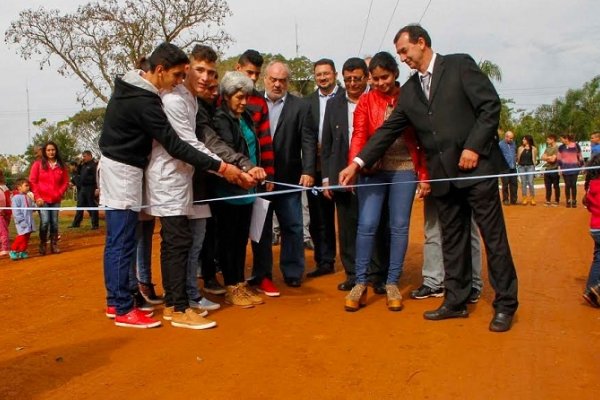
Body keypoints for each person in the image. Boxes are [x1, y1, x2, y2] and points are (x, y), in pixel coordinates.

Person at [340, 24, 519, 332]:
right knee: (452, 240)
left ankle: (505, 304)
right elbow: (386, 132)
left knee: (493, 239)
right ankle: (456, 300)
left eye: (404, 51)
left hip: (476, 171)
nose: (403, 57)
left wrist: (474, 147)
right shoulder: (409, 91)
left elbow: (489, 107)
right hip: (443, 178)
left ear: (421, 43)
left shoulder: (459, 65)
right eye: (399, 53)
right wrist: (356, 163)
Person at [99, 42, 251, 329]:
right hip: (157, 176)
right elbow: (180, 144)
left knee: (176, 241)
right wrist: (224, 168)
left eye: (212, 72)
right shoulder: (166, 99)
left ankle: (171, 303)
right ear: (163, 71)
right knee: (164, 241)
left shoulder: (178, 96)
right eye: (194, 71)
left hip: (168, 175)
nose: (204, 78)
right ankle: (172, 307)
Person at [343, 51, 429, 312]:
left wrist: (424, 176)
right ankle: (360, 282)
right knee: (367, 224)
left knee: (399, 226)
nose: (380, 83)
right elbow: (359, 136)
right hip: (373, 170)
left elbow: (424, 139)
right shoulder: (366, 102)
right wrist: (353, 166)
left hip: (404, 169)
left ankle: (392, 282)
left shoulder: (411, 98)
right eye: (375, 78)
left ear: (395, 74)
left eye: (385, 77)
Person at [321, 57, 389, 291]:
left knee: (376, 224)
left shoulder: (377, 100)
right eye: (348, 79)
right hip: (343, 174)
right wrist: (328, 179)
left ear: (366, 78)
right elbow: (327, 145)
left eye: (357, 78)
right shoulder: (334, 104)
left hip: (374, 171)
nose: (352, 83)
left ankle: (377, 275)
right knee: (348, 226)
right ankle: (353, 274)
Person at [212, 71, 271, 307]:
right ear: (226, 96)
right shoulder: (220, 118)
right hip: (229, 188)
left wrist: (257, 171)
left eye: (246, 96)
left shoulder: (245, 116)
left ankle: (240, 282)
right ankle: (231, 286)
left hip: (249, 189)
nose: (244, 101)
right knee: (228, 239)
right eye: (239, 97)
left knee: (240, 239)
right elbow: (226, 149)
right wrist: (246, 168)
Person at [262, 60, 316, 288]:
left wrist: (309, 170)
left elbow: (308, 140)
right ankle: (262, 273)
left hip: (288, 178)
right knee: (262, 229)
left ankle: (293, 271)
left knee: (293, 225)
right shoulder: (253, 102)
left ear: (288, 82)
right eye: (273, 79)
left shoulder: (300, 106)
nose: (277, 84)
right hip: (260, 179)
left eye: (282, 80)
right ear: (265, 79)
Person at [234, 50, 280, 297]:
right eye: (248, 71)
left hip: (260, 179)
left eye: (255, 73)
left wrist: (269, 174)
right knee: (236, 233)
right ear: (237, 68)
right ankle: (236, 280)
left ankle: (263, 276)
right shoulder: (222, 99)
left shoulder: (259, 102)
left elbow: (265, 141)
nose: (251, 77)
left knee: (261, 229)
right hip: (233, 180)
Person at [304, 58, 344, 278]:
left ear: (335, 74)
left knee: (348, 216)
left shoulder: (345, 96)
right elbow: (307, 138)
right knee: (320, 217)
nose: (322, 78)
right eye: (318, 74)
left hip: (343, 166)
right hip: (317, 167)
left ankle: (353, 262)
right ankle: (324, 261)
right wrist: (309, 170)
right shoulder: (308, 102)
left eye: (326, 73)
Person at [29, 141, 70, 255]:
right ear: (44, 152)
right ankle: (42, 243)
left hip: (56, 199)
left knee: (54, 222)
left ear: (56, 151)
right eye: (48, 150)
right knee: (45, 222)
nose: (51, 152)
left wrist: (59, 193)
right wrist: (37, 197)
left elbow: (65, 181)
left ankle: (54, 244)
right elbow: (33, 181)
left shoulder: (61, 165)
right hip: (42, 199)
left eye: (53, 150)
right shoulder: (38, 164)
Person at [581, 153, 600, 307]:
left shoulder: (591, 186)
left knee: (598, 258)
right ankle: (598, 288)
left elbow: (589, 207)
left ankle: (590, 291)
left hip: (595, 228)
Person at [70, 151, 99, 229]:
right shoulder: (83, 165)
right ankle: (76, 223)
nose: (83, 158)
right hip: (83, 188)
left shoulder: (94, 165)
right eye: (83, 156)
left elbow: (97, 177)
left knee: (91, 205)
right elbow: (78, 172)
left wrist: (97, 188)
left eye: (85, 156)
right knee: (80, 205)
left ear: (90, 156)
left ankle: (95, 224)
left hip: (91, 187)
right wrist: (79, 163)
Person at [9, 178, 35, 260]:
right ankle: (13, 250)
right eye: (26, 185)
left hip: (29, 221)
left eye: (28, 186)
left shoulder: (28, 197)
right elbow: (16, 211)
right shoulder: (16, 198)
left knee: (27, 236)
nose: (28, 187)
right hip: (21, 222)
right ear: (19, 187)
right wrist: (21, 221)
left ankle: (22, 251)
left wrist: (38, 205)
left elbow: (32, 207)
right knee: (22, 236)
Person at [558, 133, 583, 208]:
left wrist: (581, 165)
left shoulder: (576, 145)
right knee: (567, 185)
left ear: (566, 139)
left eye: (562, 139)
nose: (561, 140)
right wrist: (559, 168)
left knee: (573, 185)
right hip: (565, 168)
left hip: (574, 168)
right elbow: (559, 158)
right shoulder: (561, 147)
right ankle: (568, 200)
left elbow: (580, 156)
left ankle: (574, 200)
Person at [498, 131, 518, 205]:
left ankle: (514, 200)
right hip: (504, 168)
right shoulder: (500, 144)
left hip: (513, 167)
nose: (511, 140)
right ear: (506, 137)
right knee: (505, 184)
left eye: (512, 138)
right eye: (510, 138)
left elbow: (514, 153)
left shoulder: (514, 144)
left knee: (514, 184)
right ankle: (505, 199)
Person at [517, 135, 538, 205]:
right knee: (523, 183)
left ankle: (532, 198)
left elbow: (534, 158)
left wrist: (534, 165)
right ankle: (524, 198)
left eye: (524, 139)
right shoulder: (520, 148)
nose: (523, 140)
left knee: (530, 182)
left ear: (528, 140)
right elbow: (518, 157)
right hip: (521, 167)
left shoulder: (534, 149)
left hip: (530, 167)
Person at [541, 134, 560, 206]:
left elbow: (553, 160)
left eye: (548, 139)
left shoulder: (557, 148)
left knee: (556, 186)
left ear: (552, 139)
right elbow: (542, 157)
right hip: (547, 169)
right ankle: (548, 200)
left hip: (554, 169)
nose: (547, 141)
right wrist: (549, 157)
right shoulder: (547, 148)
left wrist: (547, 158)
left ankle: (556, 200)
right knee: (547, 186)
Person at [0, 171, 12, 256]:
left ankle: (5, 248)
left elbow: (7, 201)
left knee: (3, 231)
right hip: (3, 213)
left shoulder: (4, 187)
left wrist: (6, 212)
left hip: (4, 213)